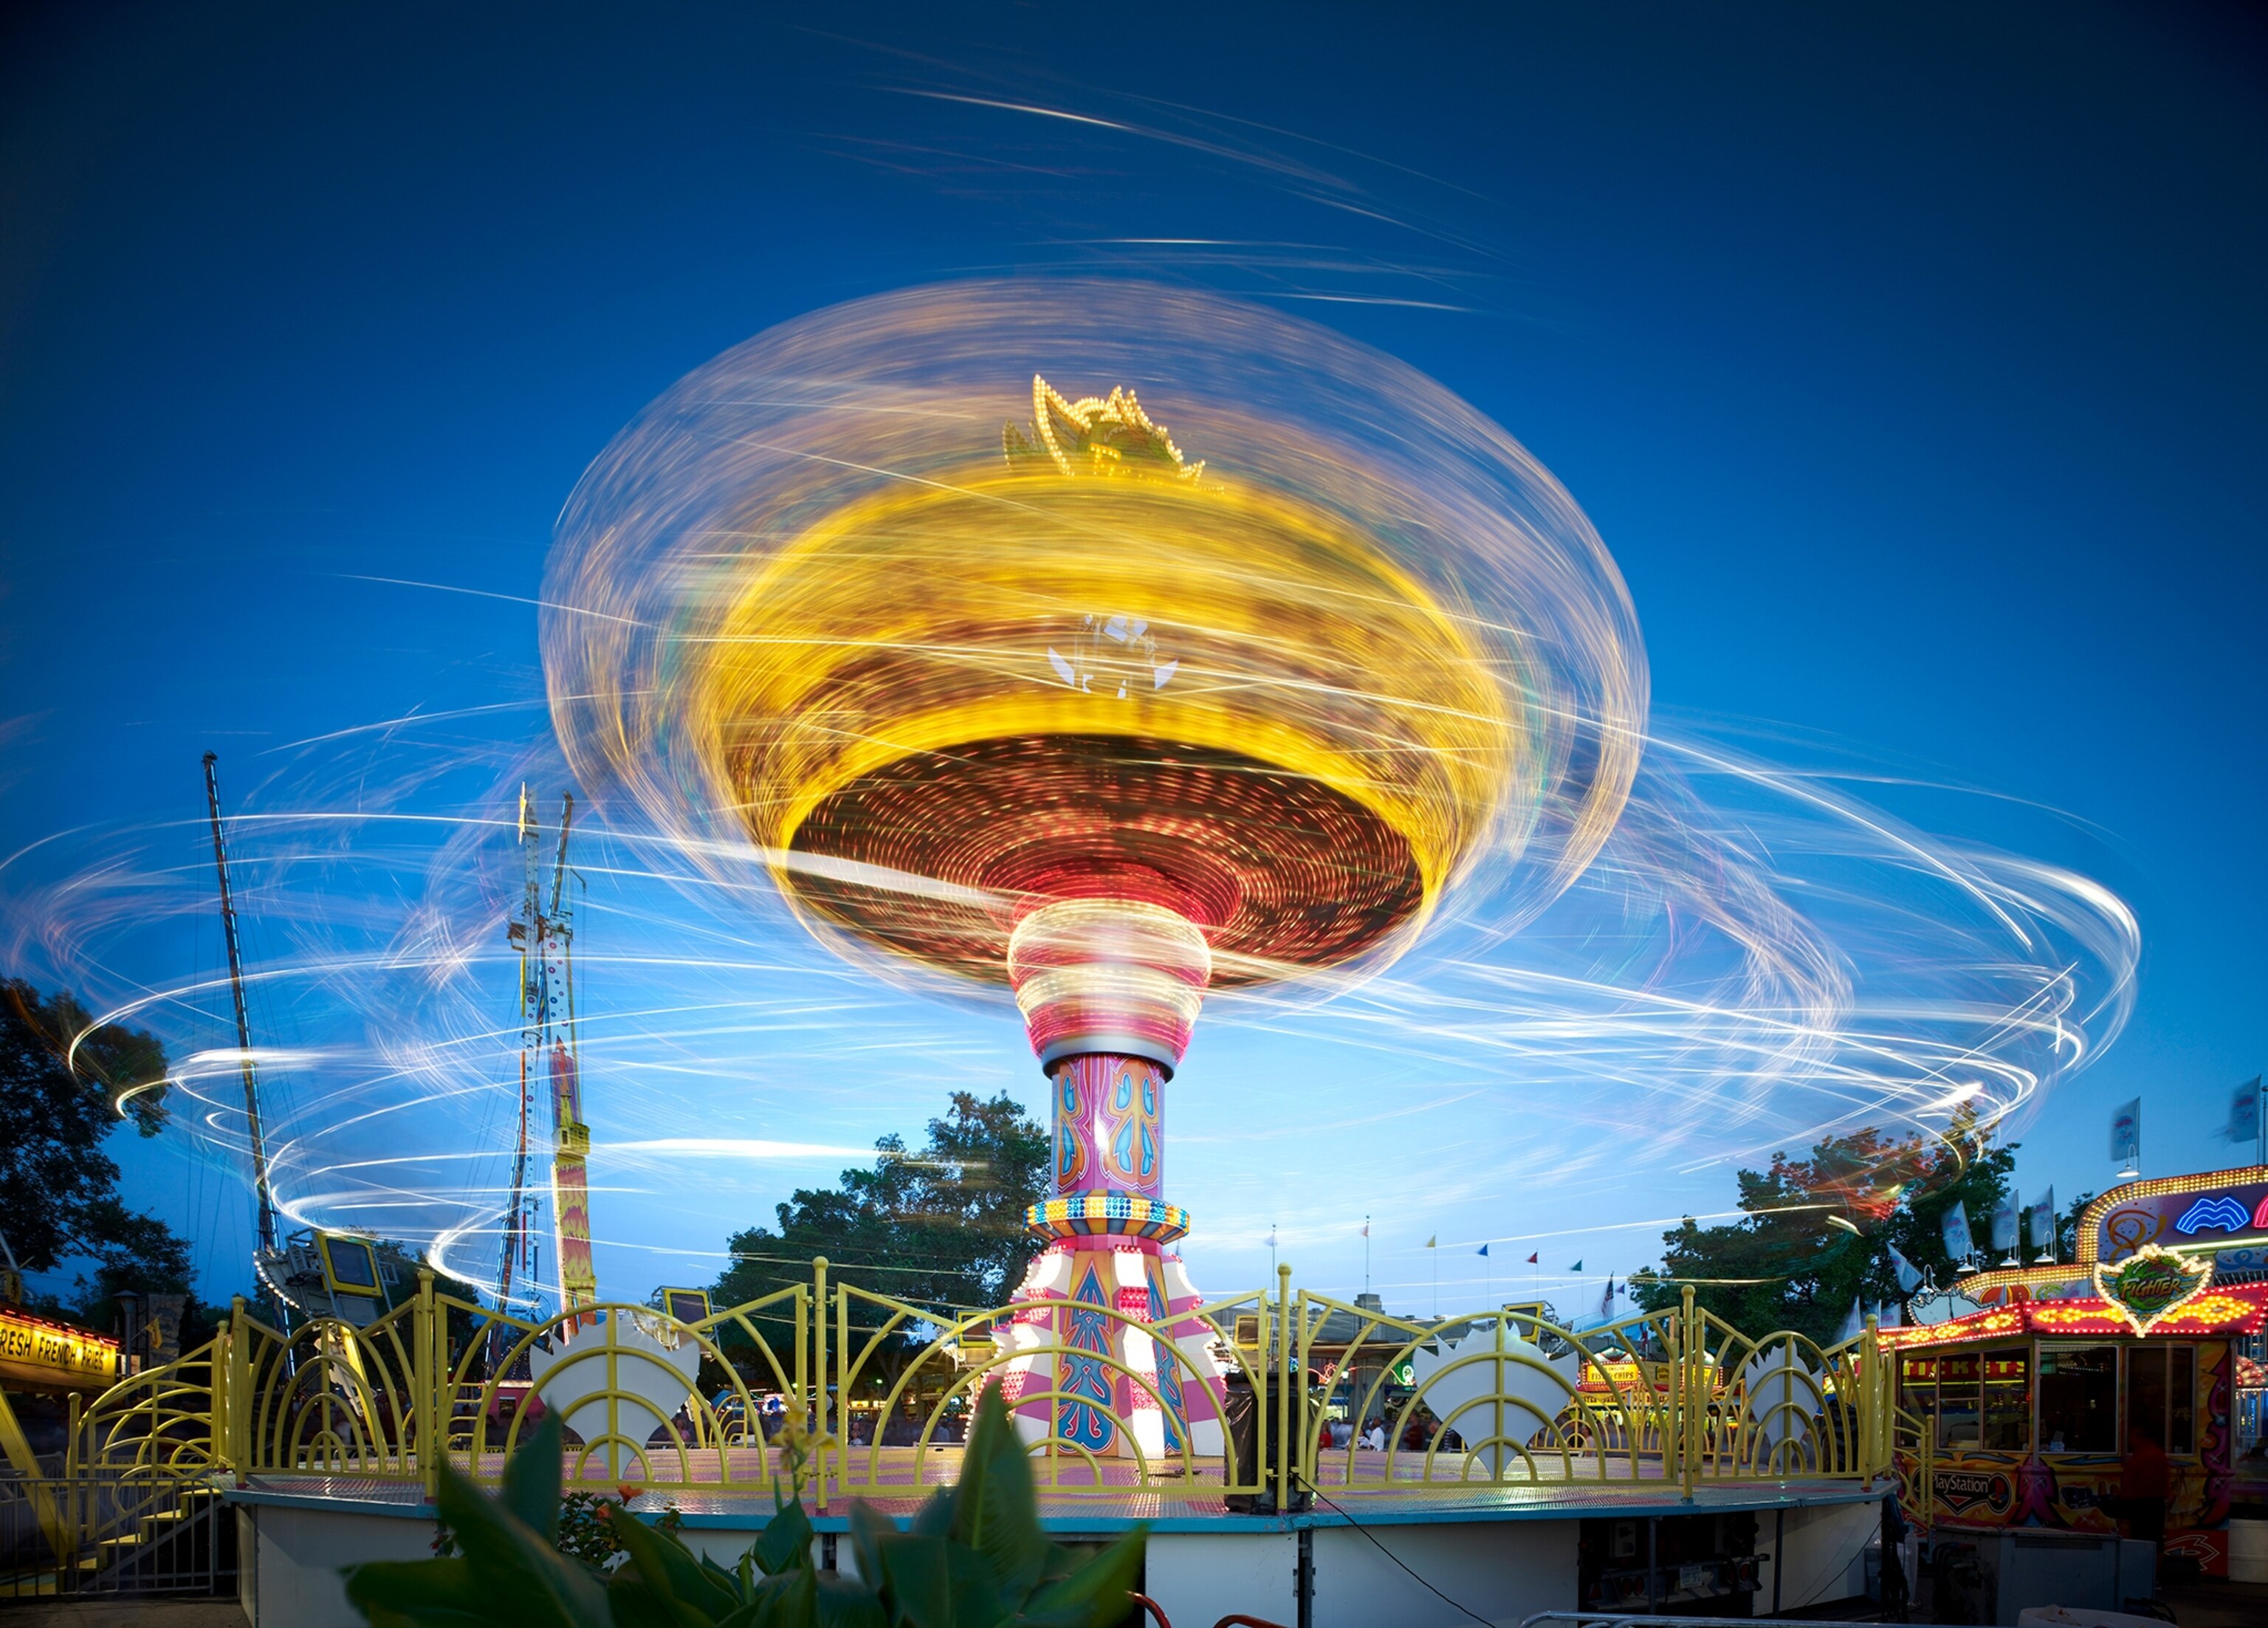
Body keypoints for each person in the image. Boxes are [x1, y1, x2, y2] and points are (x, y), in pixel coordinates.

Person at [2118, 1422, 2171, 1546]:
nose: (2130, 1440)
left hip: (2143, 1505)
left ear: (2140, 1437)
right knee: (2154, 1540)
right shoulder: (2155, 1453)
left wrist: (2124, 1499)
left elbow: (2138, 1482)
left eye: (2132, 1436)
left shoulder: (2145, 1455)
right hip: (2152, 1504)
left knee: (2143, 1540)